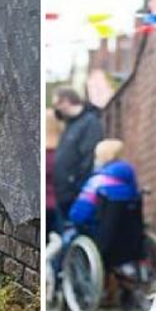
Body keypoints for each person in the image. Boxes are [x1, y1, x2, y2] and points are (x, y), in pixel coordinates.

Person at [52, 87, 104, 228]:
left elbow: (89, 157)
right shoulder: (70, 125)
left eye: (57, 104)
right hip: (64, 194)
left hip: (76, 194)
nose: (56, 110)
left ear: (66, 102)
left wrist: (77, 186)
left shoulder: (90, 122)